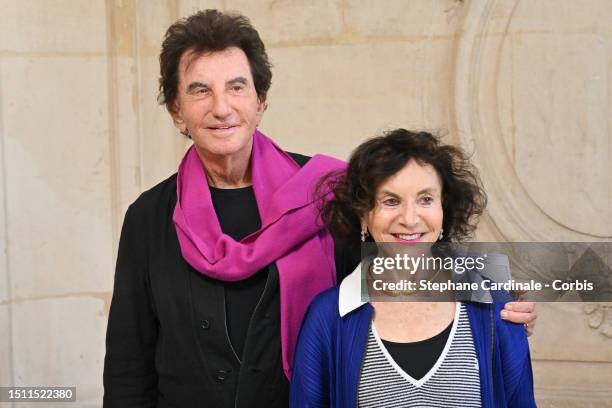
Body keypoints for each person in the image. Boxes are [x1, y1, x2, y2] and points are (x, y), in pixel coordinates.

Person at [103, 9, 536, 408]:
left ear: (261, 101)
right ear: (177, 111)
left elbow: (400, 250)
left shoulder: (323, 192)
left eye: (237, 87)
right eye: (200, 91)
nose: (221, 107)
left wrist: (493, 296)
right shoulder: (148, 218)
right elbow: (129, 364)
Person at [290, 129, 536, 407]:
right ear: (364, 214)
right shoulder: (327, 316)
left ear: (444, 209)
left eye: (426, 199)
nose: (410, 218)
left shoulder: (496, 307)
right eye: (391, 201)